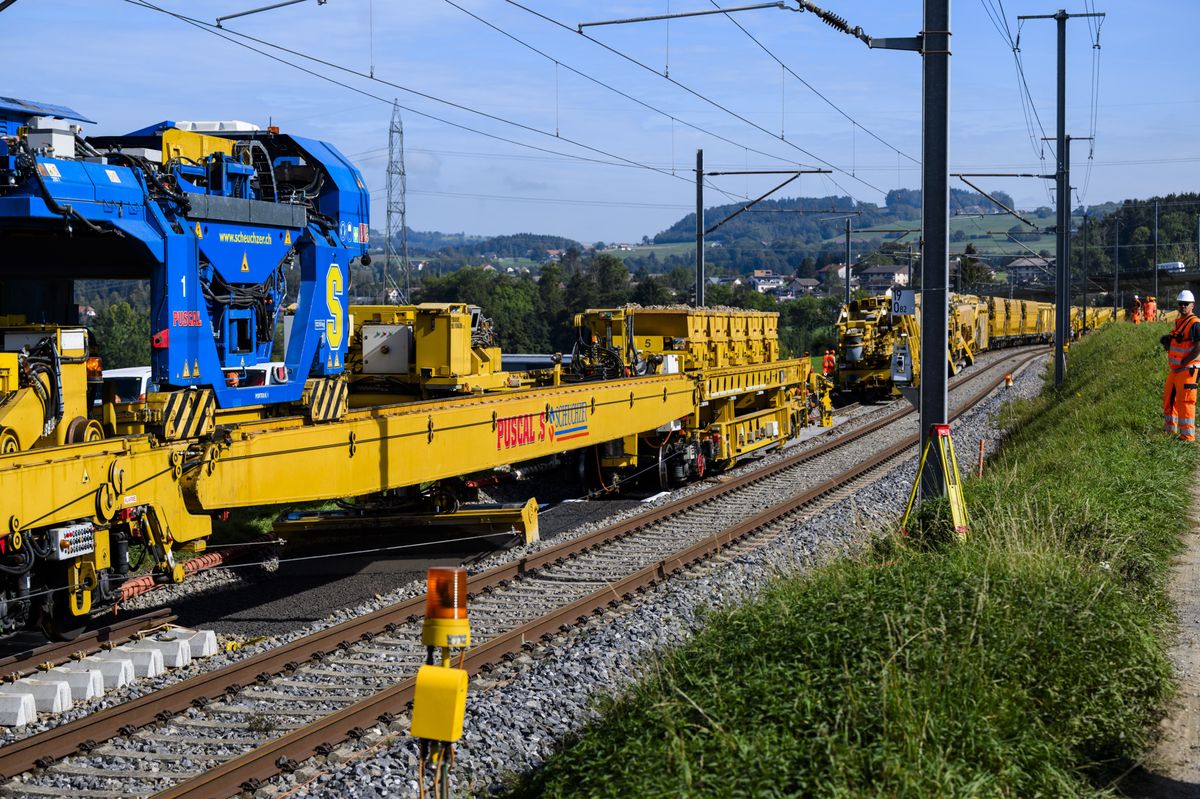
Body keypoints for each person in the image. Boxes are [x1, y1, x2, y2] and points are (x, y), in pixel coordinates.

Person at [1162, 290, 1200, 441]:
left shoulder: (1195, 323)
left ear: (1192, 305)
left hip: (1188, 369)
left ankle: (1187, 437)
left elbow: (1199, 345)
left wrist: (1186, 360)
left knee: (1185, 402)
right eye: (1180, 304)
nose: (1183, 306)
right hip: (1176, 369)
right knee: (1169, 399)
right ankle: (1170, 431)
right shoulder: (1180, 323)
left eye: (1186, 304)